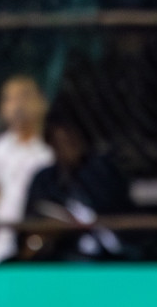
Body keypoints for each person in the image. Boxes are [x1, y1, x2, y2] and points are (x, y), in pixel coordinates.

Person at [22, 110, 133, 261]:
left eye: (71, 141)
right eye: (59, 142)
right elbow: (31, 220)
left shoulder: (103, 173)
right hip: (61, 253)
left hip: (105, 254)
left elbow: (120, 212)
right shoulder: (45, 180)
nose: (66, 148)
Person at [0, 75, 54, 266]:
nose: (17, 106)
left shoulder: (47, 153)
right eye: (9, 98)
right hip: (2, 234)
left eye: (24, 97)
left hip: (33, 238)